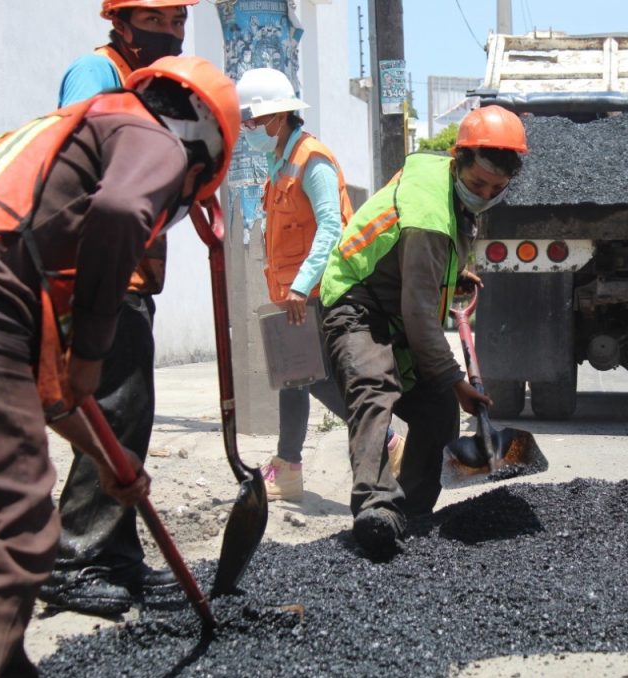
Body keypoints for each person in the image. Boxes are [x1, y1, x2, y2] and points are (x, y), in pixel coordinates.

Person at [0, 55, 239, 678]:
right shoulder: (148, 133)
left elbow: (49, 397)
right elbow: (122, 212)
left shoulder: (48, 169)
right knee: (18, 525)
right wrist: (94, 350)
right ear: (202, 154)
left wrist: (111, 466)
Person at [40, 0, 199, 618]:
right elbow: (87, 175)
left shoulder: (153, 87)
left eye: (176, 21)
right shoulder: (97, 72)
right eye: (154, 21)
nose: (168, 32)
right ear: (120, 22)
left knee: (128, 419)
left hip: (129, 275)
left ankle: (117, 557)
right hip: (99, 276)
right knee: (109, 415)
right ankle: (76, 560)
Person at [318, 105, 528, 560]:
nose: (485, 194)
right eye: (477, 184)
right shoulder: (429, 212)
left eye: (497, 189)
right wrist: (457, 382)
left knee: (435, 412)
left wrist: (451, 276)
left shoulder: (451, 198)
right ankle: (375, 507)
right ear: (458, 161)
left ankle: (410, 516)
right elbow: (418, 312)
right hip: (357, 303)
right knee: (375, 390)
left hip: (395, 310)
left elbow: (424, 269)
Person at [236, 67, 404, 502]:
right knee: (292, 378)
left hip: (318, 292)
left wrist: (301, 284)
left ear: (277, 117)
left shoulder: (313, 160)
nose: (247, 131)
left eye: (252, 122)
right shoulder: (279, 161)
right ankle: (288, 468)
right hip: (292, 296)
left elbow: (332, 228)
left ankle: (384, 441)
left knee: (310, 378)